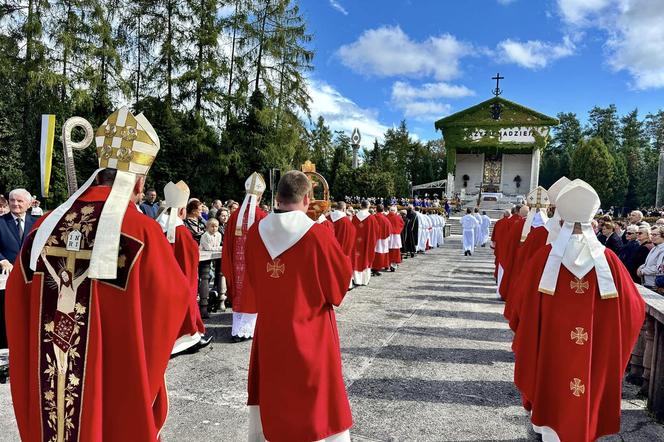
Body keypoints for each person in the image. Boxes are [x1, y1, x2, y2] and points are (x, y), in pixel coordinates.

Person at [5, 107, 190, 440]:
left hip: (49, 368)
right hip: (106, 381)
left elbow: (17, 304)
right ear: (139, 179)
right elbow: (174, 303)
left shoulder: (44, 227)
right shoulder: (141, 232)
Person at [512, 179, 645, 442]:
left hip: (551, 353)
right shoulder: (609, 262)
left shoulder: (545, 259)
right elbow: (635, 310)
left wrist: (530, 332)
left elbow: (519, 306)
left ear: (562, 221)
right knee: (585, 395)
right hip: (593, 356)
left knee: (552, 400)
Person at [243, 170, 353, 442]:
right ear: (306, 199)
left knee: (275, 393)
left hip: (271, 332)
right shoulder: (317, 235)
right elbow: (338, 289)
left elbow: (256, 282)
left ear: (278, 197)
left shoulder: (256, 233)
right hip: (311, 333)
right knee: (315, 405)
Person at [156, 181, 211, 353]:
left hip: (160, 279)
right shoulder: (181, 230)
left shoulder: (156, 226)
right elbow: (191, 254)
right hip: (179, 278)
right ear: (181, 210)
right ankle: (187, 341)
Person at [222, 172, 268, 342]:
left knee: (240, 293)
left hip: (236, 265)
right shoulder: (262, 216)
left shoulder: (234, 216)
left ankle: (237, 330)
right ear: (260, 196)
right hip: (254, 267)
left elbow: (227, 243)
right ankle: (247, 331)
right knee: (251, 294)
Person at [0, 188, 37, 349]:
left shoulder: (38, 222)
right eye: (12, 200)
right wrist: (2, 260)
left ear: (29, 204)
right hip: (5, 278)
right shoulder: (0, 222)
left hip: (31, 277)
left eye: (20, 201)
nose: (15, 204)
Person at [351, 200, 378, 286]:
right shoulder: (372, 218)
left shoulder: (355, 217)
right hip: (367, 244)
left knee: (356, 258)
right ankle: (364, 280)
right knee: (365, 258)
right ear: (368, 206)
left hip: (355, 243)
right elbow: (376, 232)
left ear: (361, 206)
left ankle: (356, 280)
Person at [330, 201, 356, 288]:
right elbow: (352, 234)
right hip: (342, 248)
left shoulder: (328, 218)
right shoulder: (346, 221)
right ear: (344, 209)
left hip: (329, 249)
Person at [637, 225, 664, 289]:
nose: (652, 237)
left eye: (655, 235)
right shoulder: (655, 247)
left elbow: (659, 269)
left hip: (655, 285)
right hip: (648, 283)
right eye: (651, 234)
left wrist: (642, 271)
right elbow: (648, 263)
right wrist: (641, 267)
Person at [371, 204, 391, 276]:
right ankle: (377, 268)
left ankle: (372, 267)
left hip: (373, 238)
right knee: (380, 253)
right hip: (383, 239)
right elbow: (389, 228)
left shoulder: (372, 217)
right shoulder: (385, 219)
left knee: (373, 252)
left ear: (376, 209)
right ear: (383, 210)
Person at [387, 205, 404, 271]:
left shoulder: (386, 217)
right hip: (396, 236)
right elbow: (402, 224)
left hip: (388, 235)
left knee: (388, 250)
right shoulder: (398, 217)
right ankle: (394, 264)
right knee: (396, 250)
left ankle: (388, 263)